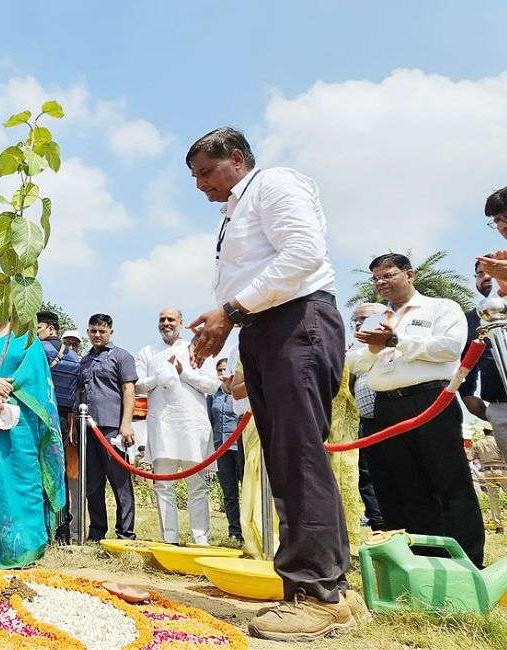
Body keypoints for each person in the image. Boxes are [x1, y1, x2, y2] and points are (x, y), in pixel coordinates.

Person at [184, 128, 362, 639]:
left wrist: (232, 310)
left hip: (295, 321)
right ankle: (332, 589)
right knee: (290, 457)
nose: (199, 186)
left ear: (236, 159)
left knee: (297, 454)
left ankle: (317, 594)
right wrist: (232, 322)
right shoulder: (233, 214)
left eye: (205, 173)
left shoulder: (274, 185)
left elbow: (302, 254)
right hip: (265, 329)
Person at [349, 253, 484, 567]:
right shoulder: (378, 318)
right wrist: (374, 347)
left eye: (388, 275)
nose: (381, 283)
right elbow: (357, 362)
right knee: (408, 486)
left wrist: (395, 340)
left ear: (410, 275)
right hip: (387, 408)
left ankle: (467, 563)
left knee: (450, 482)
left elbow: (449, 347)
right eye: (376, 278)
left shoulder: (441, 307)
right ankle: (425, 560)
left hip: (430, 401)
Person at [0, 298, 66, 568]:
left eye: (3, 304)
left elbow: (34, 377)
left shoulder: (26, 339)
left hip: (18, 423)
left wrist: (6, 392)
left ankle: (21, 549)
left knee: (20, 480)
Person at [136, 308, 219, 545]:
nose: (165, 323)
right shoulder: (147, 352)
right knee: (163, 485)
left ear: (181, 322)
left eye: (171, 319)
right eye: (161, 319)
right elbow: (138, 385)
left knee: (197, 485)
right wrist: (158, 379)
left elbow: (212, 386)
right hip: (162, 426)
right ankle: (169, 538)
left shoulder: (197, 347)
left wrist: (184, 374)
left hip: (192, 425)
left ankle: (201, 538)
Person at [74, 313, 137, 542]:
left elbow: (129, 390)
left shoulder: (122, 356)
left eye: (101, 331)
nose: (97, 335)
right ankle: (97, 533)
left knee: (120, 482)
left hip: (112, 428)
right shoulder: (85, 360)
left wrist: (126, 424)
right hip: (88, 429)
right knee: (93, 485)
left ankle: (126, 534)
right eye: (93, 331)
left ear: (110, 331)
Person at [38, 311, 81, 545]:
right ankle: (63, 530)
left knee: (38, 470)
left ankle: (43, 528)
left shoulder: (40, 350)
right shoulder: (73, 356)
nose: (36, 333)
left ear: (51, 329)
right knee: (59, 472)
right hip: (65, 419)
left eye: (39, 328)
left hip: (42, 415)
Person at [462, 259, 507, 461]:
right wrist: (467, 393)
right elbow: (466, 356)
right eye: (481, 274)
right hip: (500, 406)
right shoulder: (471, 319)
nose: (487, 277)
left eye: (493, 270)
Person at [348, 302, 387, 530]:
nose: (358, 324)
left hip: (393, 416)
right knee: (369, 475)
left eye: (363, 319)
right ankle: (379, 525)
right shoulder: (355, 351)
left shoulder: (391, 344)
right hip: (366, 420)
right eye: (356, 320)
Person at [208, 359, 244, 542]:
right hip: (221, 449)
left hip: (240, 447)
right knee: (229, 492)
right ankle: (235, 531)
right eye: (219, 370)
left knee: (246, 489)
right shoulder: (213, 396)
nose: (222, 374)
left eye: (225, 370)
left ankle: (249, 529)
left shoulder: (239, 393)